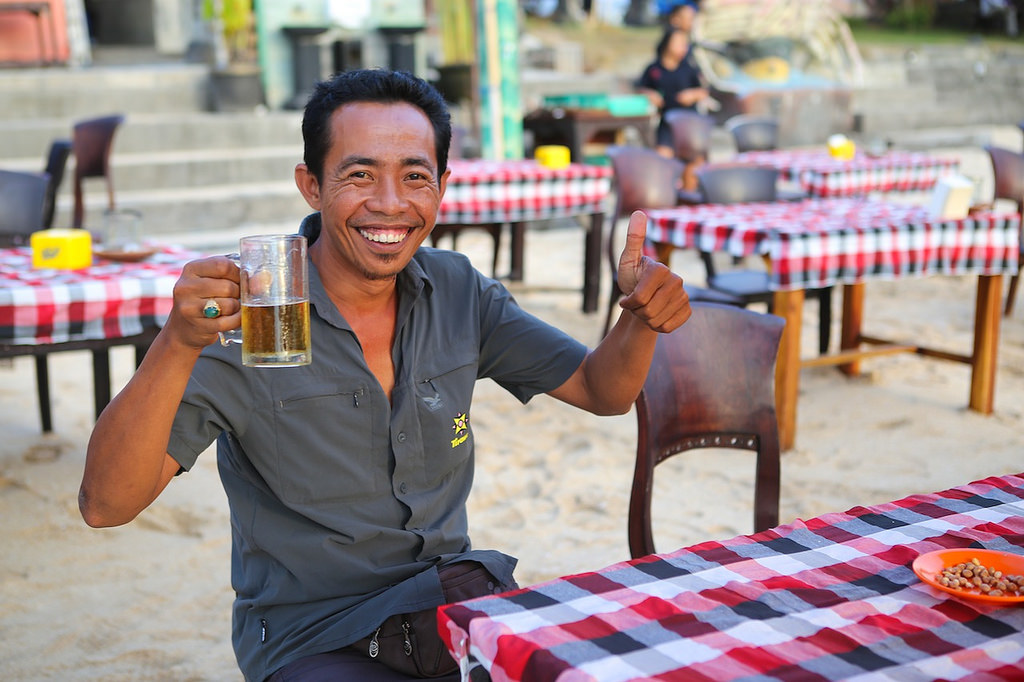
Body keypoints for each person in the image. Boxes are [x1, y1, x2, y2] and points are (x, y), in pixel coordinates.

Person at [78, 69, 692, 681]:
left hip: (447, 606)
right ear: (311, 185)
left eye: (415, 177)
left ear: (443, 188)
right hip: (314, 635)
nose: (391, 203)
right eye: (360, 174)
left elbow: (601, 390)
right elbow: (107, 505)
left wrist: (639, 321)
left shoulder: (458, 292)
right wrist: (177, 341)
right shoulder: (254, 317)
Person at [636, 26, 712, 190]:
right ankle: (667, 200)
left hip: (690, 123)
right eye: (679, 43)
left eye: (685, 44)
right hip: (667, 124)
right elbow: (640, 88)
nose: (683, 47)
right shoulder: (654, 69)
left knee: (692, 167)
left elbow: (704, 91)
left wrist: (692, 95)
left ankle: (688, 198)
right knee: (663, 163)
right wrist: (650, 95)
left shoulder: (689, 68)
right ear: (667, 43)